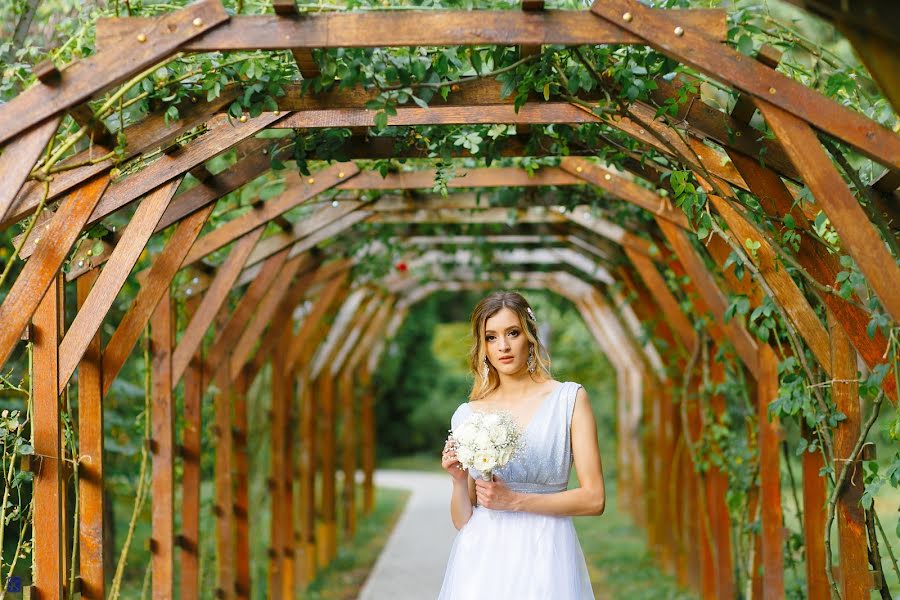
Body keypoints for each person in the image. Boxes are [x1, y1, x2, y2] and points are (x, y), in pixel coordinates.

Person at [438, 291, 605, 600]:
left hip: (547, 551)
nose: (503, 346)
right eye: (491, 337)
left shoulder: (568, 399)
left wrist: (515, 501)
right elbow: (464, 521)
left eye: (512, 333)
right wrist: (459, 482)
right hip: (482, 560)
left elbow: (594, 500)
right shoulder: (468, 415)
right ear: (482, 347)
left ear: (529, 337)